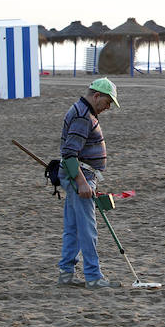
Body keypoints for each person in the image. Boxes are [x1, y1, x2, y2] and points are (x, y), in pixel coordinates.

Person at [57, 77, 121, 289]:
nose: (108, 107)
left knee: (74, 228)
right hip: (80, 178)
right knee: (87, 229)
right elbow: (69, 153)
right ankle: (93, 276)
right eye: (107, 102)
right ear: (96, 96)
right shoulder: (83, 116)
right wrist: (83, 183)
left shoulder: (82, 111)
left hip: (81, 176)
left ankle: (66, 274)